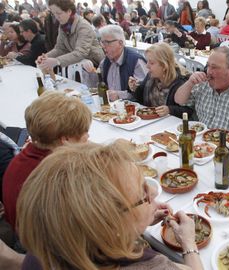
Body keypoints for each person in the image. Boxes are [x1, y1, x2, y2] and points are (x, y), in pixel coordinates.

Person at [17, 141, 204, 269]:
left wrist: (137, 220)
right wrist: (188, 242)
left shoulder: (43, 250)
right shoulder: (152, 266)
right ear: (112, 220)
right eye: (143, 193)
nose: (154, 192)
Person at [2, 92, 91, 231]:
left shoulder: (24, 157)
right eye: (84, 132)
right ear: (65, 140)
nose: (88, 137)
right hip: (44, 247)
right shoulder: (56, 175)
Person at [83, 25, 147, 101]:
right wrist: (90, 72)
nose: (103, 46)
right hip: (111, 109)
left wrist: (119, 95)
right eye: (102, 42)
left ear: (120, 43)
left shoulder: (136, 61)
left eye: (107, 43)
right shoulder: (105, 62)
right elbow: (94, 88)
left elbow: (144, 93)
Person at [128, 43, 192, 118]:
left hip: (169, 125)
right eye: (147, 61)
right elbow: (142, 100)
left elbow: (189, 111)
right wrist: (135, 88)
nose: (147, 66)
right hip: (151, 122)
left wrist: (170, 110)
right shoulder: (151, 76)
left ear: (164, 65)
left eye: (151, 63)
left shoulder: (180, 81)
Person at [36, 0, 104, 71]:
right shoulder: (63, 26)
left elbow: (81, 52)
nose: (56, 17)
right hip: (79, 64)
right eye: (54, 14)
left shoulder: (83, 26)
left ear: (69, 11)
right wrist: (46, 56)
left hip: (95, 64)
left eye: (59, 13)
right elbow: (60, 48)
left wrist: (56, 61)